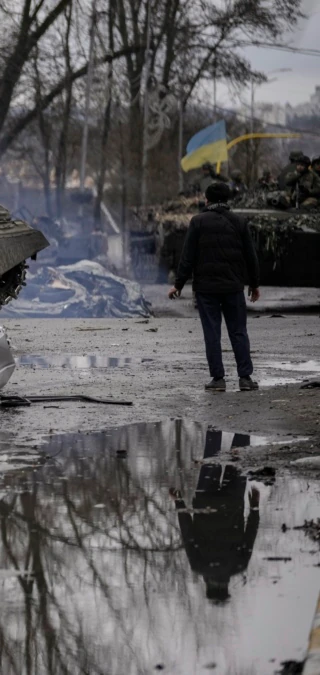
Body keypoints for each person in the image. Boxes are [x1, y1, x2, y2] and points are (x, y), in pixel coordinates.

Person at [168, 182, 260, 391]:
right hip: (233, 288)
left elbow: (187, 256)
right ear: (227, 200)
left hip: (206, 289)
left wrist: (178, 284)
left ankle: (218, 379)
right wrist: (254, 284)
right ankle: (245, 378)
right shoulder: (239, 222)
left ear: (206, 200)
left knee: (212, 333)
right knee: (238, 332)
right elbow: (251, 257)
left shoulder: (198, 222)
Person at [172, 430, 259, 605]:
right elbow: (187, 533)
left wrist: (255, 507)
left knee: (239, 458)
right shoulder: (198, 566)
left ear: (226, 587)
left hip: (232, 502)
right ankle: (214, 423)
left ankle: (243, 420)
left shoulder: (238, 566)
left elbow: (251, 533)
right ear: (208, 587)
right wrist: (179, 502)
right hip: (205, 501)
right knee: (211, 458)